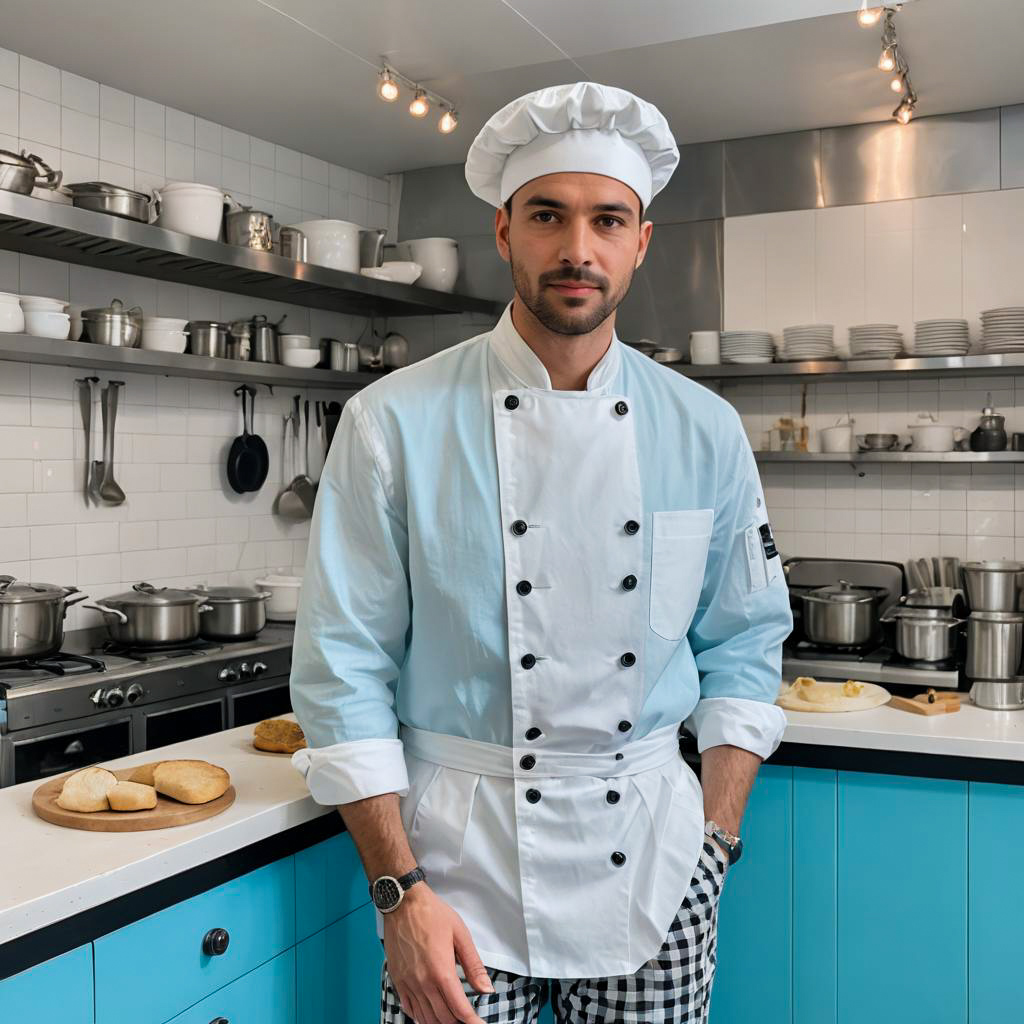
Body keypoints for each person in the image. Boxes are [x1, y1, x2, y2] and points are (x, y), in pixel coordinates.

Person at [290, 81, 792, 1024]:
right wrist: (399, 895)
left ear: (641, 242)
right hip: (451, 886)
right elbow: (341, 670)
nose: (577, 249)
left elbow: (747, 648)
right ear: (504, 232)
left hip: (656, 867)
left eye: (608, 220)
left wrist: (715, 842)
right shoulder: (390, 422)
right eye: (547, 216)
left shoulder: (706, 429)